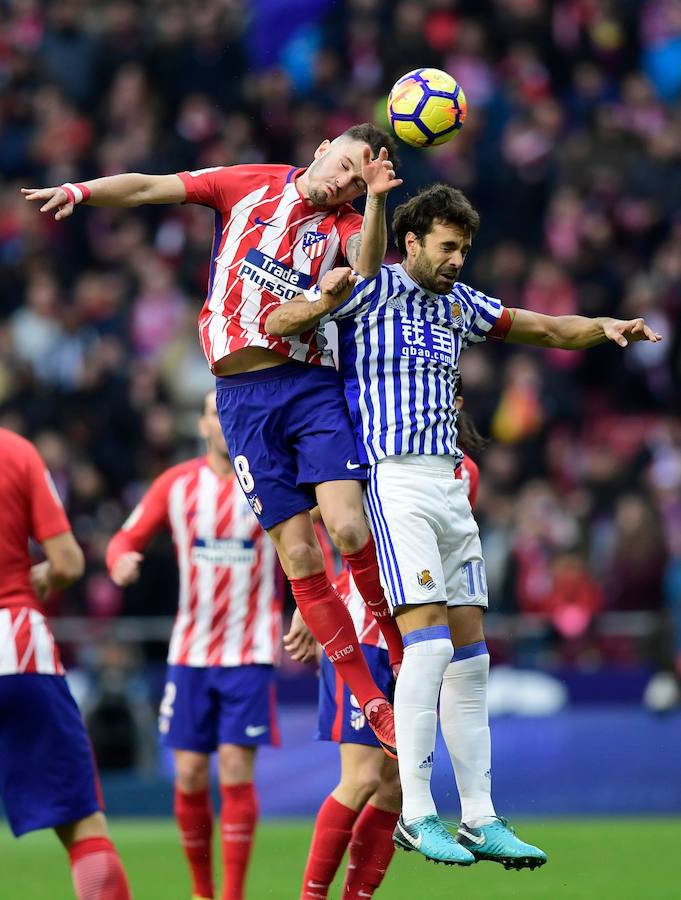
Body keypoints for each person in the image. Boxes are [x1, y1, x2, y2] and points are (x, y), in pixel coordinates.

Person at [265, 182, 662, 867]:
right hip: (394, 480)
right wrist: (354, 248)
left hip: (449, 483)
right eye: (447, 247)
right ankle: (417, 812)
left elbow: (541, 327)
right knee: (426, 648)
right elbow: (292, 316)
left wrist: (605, 328)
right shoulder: (369, 291)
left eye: (464, 249)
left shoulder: (460, 304)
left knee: (470, 653)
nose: (456, 260)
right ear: (411, 241)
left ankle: (479, 816)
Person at [23, 124, 405, 756]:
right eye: (342, 166)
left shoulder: (343, 221)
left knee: (348, 529)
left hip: (308, 384)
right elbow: (149, 187)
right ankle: (371, 699)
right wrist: (81, 191)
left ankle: (396, 647)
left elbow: (365, 269)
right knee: (300, 559)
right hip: (242, 401)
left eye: (354, 179)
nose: (341, 181)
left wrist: (375, 200)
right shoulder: (249, 184)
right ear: (320, 150)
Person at [289, 403, 482, 900]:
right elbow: (313, 515)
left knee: (397, 785)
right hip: (364, 635)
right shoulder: (374, 453)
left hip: (419, 644)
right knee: (360, 778)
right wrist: (312, 598)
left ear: (453, 405)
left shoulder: (464, 473)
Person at [106, 392, 280, 900]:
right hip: (191, 653)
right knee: (187, 772)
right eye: (214, 415)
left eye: (231, 413)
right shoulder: (177, 485)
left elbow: (311, 548)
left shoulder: (269, 481)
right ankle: (202, 891)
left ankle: (232, 895)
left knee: (233, 766)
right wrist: (121, 562)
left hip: (249, 651)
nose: (225, 423)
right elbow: (124, 538)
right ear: (203, 425)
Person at [0, 427, 132, 900]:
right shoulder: (14, 452)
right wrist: (42, 575)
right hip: (17, 651)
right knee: (84, 827)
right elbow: (69, 561)